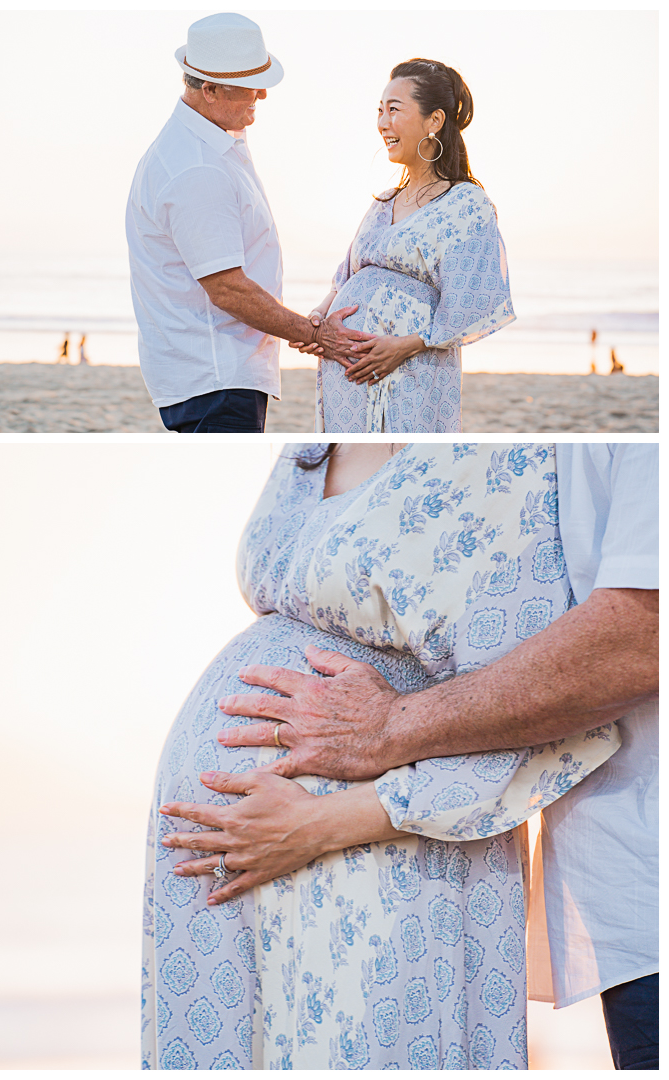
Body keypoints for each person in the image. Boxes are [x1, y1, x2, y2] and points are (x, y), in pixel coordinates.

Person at [144, 442, 625, 1070]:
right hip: (231, 880)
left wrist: (323, 822)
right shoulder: (309, 447)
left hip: (372, 856)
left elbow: (545, 702)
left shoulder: (513, 460)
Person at [125, 13, 373, 434]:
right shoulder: (196, 167)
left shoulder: (212, 139)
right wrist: (317, 334)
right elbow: (226, 288)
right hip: (216, 379)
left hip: (215, 375)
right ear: (209, 89)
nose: (262, 93)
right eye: (250, 85)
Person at [288, 61, 515, 433]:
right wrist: (318, 321)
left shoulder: (465, 204)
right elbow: (345, 276)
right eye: (379, 110)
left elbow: (471, 301)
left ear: (434, 121)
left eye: (394, 109)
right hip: (346, 368)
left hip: (412, 368)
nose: (382, 123)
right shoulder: (382, 203)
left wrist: (406, 345)